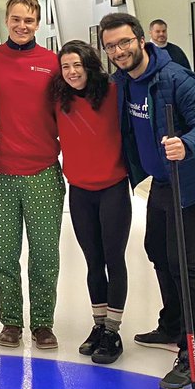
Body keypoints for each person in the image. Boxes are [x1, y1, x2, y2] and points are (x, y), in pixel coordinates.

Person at [101, 12, 195, 389]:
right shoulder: (122, 83)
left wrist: (186, 144)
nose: (118, 51)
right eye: (110, 47)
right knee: (156, 248)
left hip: (194, 183)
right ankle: (172, 325)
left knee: (184, 265)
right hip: (162, 183)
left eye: (124, 43)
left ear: (140, 40)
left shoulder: (174, 79)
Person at [0, 0, 65, 350]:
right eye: (15, 19)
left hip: (42, 172)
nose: (22, 26)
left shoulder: (54, 63)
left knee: (45, 253)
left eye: (29, 20)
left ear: (38, 23)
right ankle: (11, 321)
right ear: (6, 20)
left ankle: (42, 322)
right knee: (3, 254)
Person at [50, 40, 131, 365]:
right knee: (93, 262)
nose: (71, 72)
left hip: (112, 188)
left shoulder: (113, 93)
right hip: (80, 191)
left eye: (77, 65)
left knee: (114, 259)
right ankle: (99, 326)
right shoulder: (60, 100)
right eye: (65, 66)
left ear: (89, 66)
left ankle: (113, 331)